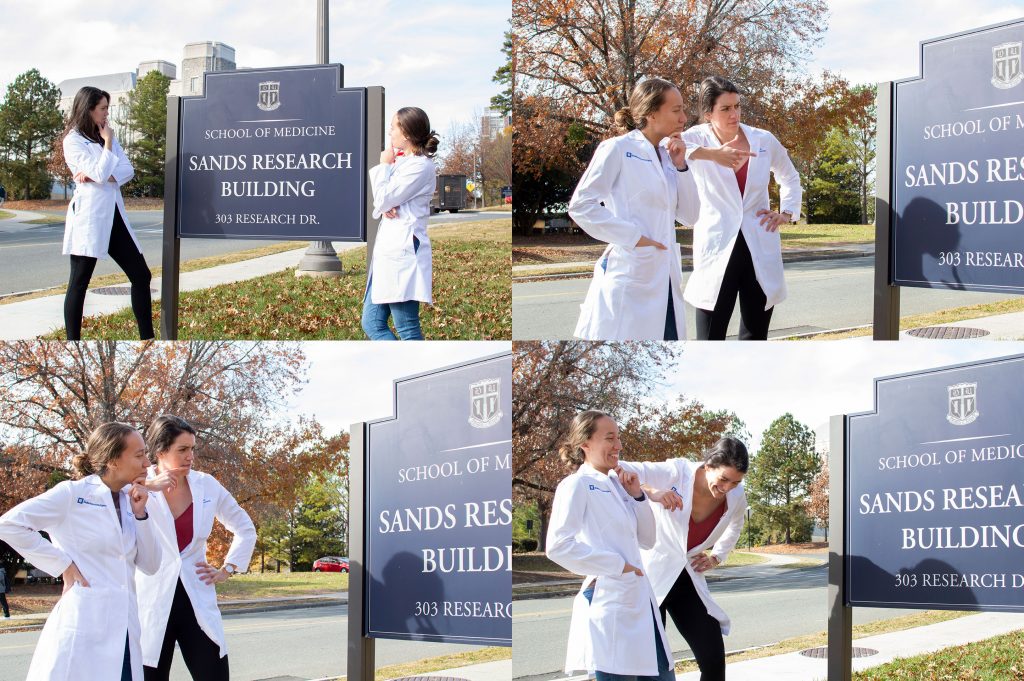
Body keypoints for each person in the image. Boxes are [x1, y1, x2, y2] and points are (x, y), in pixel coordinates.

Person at [0, 422, 162, 681]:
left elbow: (152, 565)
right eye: (139, 455)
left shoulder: (131, 500)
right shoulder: (73, 495)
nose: (147, 463)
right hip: (85, 625)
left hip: (125, 633)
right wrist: (63, 564)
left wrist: (141, 515)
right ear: (113, 460)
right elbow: (8, 525)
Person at [567, 78, 700, 341]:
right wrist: (634, 238)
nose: (684, 118)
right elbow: (581, 205)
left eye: (683, 110)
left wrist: (682, 166)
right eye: (676, 110)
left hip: (665, 278)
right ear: (651, 114)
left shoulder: (667, 155)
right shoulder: (617, 149)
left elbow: (691, 215)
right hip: (631, 272)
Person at [546, 410, 675, 681]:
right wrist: (618, 566)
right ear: (585, 444)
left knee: (663, 675)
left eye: (618, 438)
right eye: (610, 438)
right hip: (609, 597)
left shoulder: (620, 485)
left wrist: (638, 497)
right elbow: (558, 545)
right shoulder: (576, 485)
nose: (618, 446)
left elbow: (648, 539)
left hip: (639, 598)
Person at [674, 76, 803, 340]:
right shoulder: (694, 137)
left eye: (737, 106)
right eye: (725, 109)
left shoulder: (763, 139)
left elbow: (789, 175)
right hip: (718, 243)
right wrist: (713, 154)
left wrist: (787, 213)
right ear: (708, 113)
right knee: (711, 338)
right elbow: (670, 147)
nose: (734, 114)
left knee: (755, 336)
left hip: (758, 240)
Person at [618, 437, 750, 681]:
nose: (727, 488)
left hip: (687, 577)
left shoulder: (736, 495)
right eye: (723, 479)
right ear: (708, 465)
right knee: (651, 668)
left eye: (735, 482)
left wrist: (717, 556)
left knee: (713, 660)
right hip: (650, 577)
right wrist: (650, 492)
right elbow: (619, 468)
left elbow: (736, 523)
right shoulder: (676, 472)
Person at [137, 415, 256, 681]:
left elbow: (244, 527)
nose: (190, 456)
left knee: (213, 675)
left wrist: (229, 568)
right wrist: (147, 485)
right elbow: (107, 502)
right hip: (152, 599)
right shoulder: (136, 484)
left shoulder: (207, 485)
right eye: (182, 449)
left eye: (192, 449)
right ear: (160, 451)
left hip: (196, 596)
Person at [62, 86, 153, 341]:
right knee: (79, 283)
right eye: (103, 108)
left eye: (107, 108)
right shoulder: (73, 140)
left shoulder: (104, 134)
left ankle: (147, 339)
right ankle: (73, 343)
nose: (106, 113)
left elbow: (127, 170)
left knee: (141, 275)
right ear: (88, 109)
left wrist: (100, 175)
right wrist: (108, 145)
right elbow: (103, 172)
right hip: (89, 219)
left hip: (114, 216)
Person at [362, 107, 439, 341]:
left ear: (406, 132)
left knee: (407, 328)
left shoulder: (419, 166)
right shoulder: (404, 163)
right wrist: (386, 204)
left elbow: (383, 198)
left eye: (394, 126)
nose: (389, 131)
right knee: (372, 323)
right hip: (387, 254)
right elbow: (382, 203)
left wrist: (384, 166)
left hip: (403, 252)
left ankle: (419, 374)